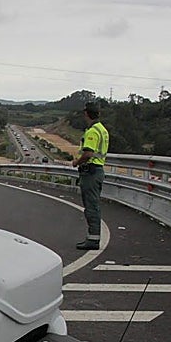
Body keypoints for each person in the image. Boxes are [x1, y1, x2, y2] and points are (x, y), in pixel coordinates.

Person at [71, 101, 109, 250]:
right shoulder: (103, 129)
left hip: (91, 172)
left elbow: (88, 153)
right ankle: (93, 237)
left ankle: (93, 239)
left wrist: (76, 162)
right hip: (97, 170)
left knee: (91, 206)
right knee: (93, 205)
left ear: (86, 113)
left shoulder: (93, 131)